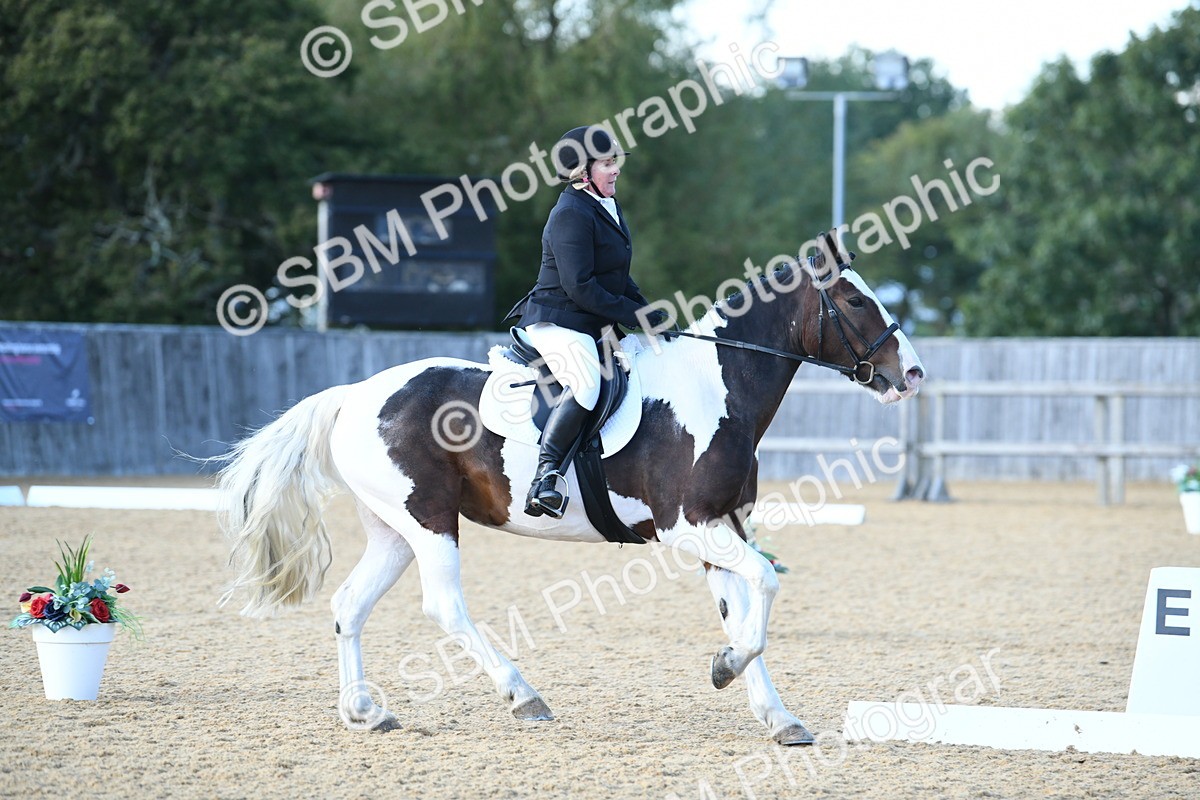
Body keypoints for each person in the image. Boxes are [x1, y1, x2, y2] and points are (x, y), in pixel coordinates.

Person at [504, 125, 667, 518]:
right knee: (586, 382)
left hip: (588, 322)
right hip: (559, 320)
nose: (616, 171)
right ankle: (546, 477)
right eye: (607, 164)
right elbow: (581, 287)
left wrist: (649, 312)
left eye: (616, 163)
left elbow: (615, 276)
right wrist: (634, 317)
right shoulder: (570, 214)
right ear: (581, 171)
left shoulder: (605, 205)